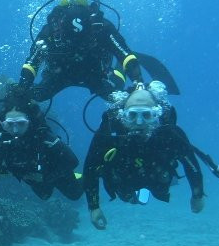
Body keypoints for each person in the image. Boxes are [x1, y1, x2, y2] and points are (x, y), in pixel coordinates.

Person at [83, 89, 209, 229]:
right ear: (122, 115)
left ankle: (145, 191)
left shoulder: (170, 133)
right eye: (132, 115)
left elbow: (191, 164)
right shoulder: (109, 133)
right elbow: (90, 168)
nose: (139, 122)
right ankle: (136, 195)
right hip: (124, 181)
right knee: (126, 196)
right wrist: (94, 207)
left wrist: (198, 195)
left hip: (157, 179)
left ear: (156, 114)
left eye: (146, 115)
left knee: (160, 190)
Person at [11, 0, 145, 105]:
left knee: (120, 99)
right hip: (78, 74)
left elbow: (32, 62)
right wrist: (138, 81)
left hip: (84, 74)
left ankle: (120, 72)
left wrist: (138, 83)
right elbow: (124, 54)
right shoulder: (100, 27)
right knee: (120, 98)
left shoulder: (98, 27)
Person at [0, 100, 83, 219]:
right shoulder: (3, 144)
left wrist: (46, 177)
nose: (15, 130)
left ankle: (81, 176)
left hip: (55, 171)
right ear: (2, 124)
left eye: (21, 123)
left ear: (30, 121)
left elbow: (73, 161)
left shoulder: (45, 137)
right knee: (44, 195)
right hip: (34, 177)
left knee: (75, 194)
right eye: (10, 124)